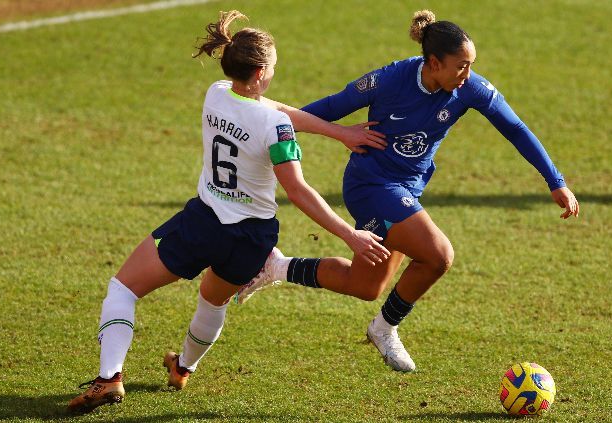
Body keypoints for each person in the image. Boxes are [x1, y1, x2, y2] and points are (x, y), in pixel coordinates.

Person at [67, 10, 390, 414]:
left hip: (203, 223)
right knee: (212, 301)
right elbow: (298, 189)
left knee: (123, 290)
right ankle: (183, 368)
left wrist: (339, 131)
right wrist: (349, 234)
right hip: (252, 239)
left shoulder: (217, 92)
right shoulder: (275, 127)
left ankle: (110, 378)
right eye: (273, 66)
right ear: (259, 73)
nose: (274, 73)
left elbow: (272, 108)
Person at [236, 10, 580, 373]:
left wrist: (555, 180)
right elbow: (332, 106)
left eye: (471, 65)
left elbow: (515, 127)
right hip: (370, 185)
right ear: (433, 63)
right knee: (438, 255)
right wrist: (268, 122)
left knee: (365, 284)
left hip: (405, 191)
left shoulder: (468, 89)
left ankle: (276, 266)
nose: (468, 75)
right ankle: (385, 329)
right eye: (461, 66)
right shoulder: (390, 79)